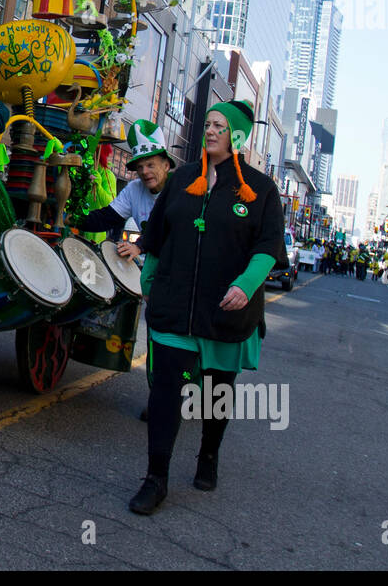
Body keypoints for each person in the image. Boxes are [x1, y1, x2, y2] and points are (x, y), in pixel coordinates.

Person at [128, 100, 284, 515]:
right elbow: (157, 234)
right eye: (208, 124)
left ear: (237, 136)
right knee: (166, 390)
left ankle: (208, 456)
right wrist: (149, 280)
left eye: (220, 125)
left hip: (225, 310)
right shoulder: (181, 180)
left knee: (216, 391)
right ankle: (155, 478)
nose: (210, 130)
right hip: (176, 305)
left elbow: (269, 248)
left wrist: (246, 285)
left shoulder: (261, 189)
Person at [74, 120, 175, 258]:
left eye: (150, 165)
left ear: (166, 166)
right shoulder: (134, 189)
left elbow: (167, 229)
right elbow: (106, 218)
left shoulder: (179, 188)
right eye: (140, 167)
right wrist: (74, 219)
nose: (144, 172)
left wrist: (139, 246)